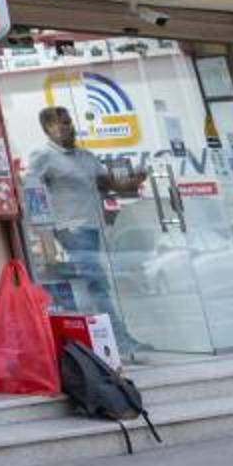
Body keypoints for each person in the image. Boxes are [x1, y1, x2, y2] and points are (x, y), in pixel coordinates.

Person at [24, 104, 149, 361]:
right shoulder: (44, 156)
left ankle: (105, 339)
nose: (67, 128)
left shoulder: (85, 157)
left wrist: (133, 180)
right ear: (47, 129)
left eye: (68, 122)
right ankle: (121, 343)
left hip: (93, 227)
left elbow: (108, 183)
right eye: (60, 124)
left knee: (96, 285)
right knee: (97, 284)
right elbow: (32, 193)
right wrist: (44, 235)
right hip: (71, 229)